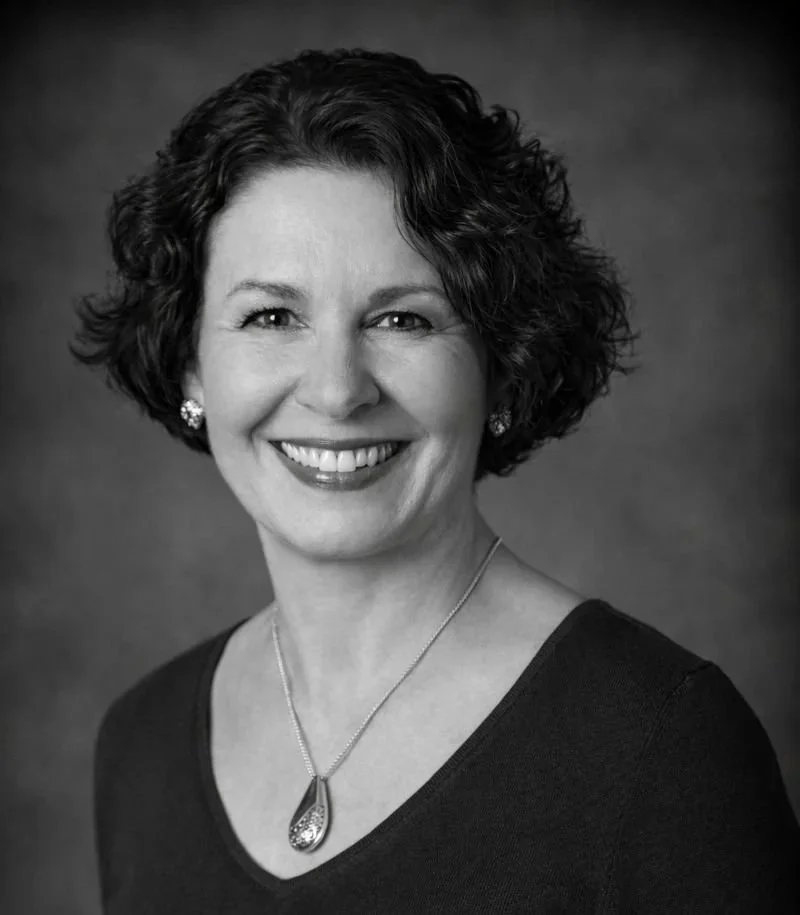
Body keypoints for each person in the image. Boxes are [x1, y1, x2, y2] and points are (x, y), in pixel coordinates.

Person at [73, 48, 799, 913]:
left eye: (403, 318)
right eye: (271, 315)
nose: (338, 389)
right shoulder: (140, 743)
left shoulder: (663, 743)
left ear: (498, 366)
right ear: (192, 368)